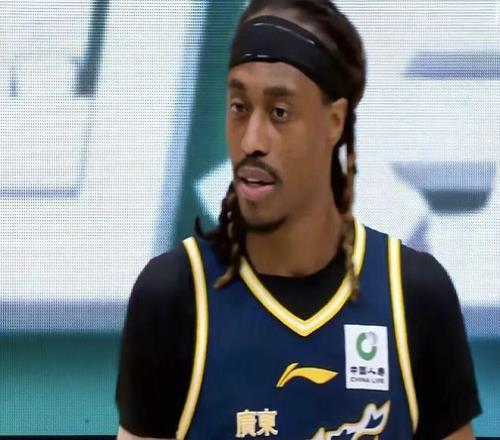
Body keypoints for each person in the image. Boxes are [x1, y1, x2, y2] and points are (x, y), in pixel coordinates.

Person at [115, 0, 481, 439]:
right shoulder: (174, 296)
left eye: (280, 112)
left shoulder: (414, 295)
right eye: (239, 107)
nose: (251, 141)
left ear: (334, 122)